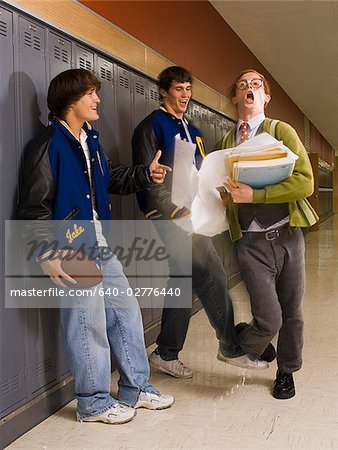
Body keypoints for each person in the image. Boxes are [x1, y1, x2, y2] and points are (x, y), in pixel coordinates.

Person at [17, 68, 175, 424]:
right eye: (90, 93)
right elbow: (33, 205)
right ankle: (93, 402)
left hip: (99, 242)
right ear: (69, 100)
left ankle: (136, 389)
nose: (97, 99)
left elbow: (110, 178)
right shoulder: (48, 145)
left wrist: (144, 174)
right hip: (70, 248)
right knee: (86, 323)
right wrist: (45, 252)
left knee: (125, 313)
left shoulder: (90, 141)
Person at [132, 65, 270, 379]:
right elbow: (148, 178)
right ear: (164, 92)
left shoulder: (192, 130)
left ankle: (165, 353)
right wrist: (174, 212)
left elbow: (201, 171)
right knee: (213, 274)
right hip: (170, 218)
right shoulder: (151, 126)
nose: (185, 95)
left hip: (193, 215)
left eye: (188, 89)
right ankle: (231, 348)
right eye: (178, 89)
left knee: (182, 281)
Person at [216, 69, 318, 399]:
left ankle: (286, 371)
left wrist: (255, 195)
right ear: (234, 97)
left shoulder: (281, 131)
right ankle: (242, 342)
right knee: (270, 318)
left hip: (287, 236)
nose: (249, 87)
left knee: (293, 313)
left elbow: (305, 182)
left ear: (266, 97)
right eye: (242, 84)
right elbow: (218, 191)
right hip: (249, 242)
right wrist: (223, 196)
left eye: (256, 84)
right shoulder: (225, 144)